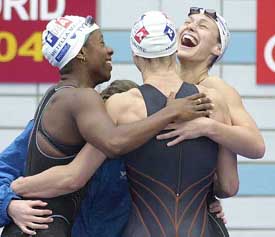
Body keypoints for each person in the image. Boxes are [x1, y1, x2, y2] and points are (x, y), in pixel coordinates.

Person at [1, 15, 214, 237]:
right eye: (101, 43)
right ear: (81, 53)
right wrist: (9, 201)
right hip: (42, 228)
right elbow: (108, 147)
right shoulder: (80, 100)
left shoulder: (59, 97)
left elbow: (171, 178)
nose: (110, 50)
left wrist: (207, 200)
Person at [157, 7, 265, 159]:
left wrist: (207, 127)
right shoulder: (163, 82)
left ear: (217, 48)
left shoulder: (214, 87)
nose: (191, 26)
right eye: (188, 22)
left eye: (202, 26)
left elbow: (256, 146)